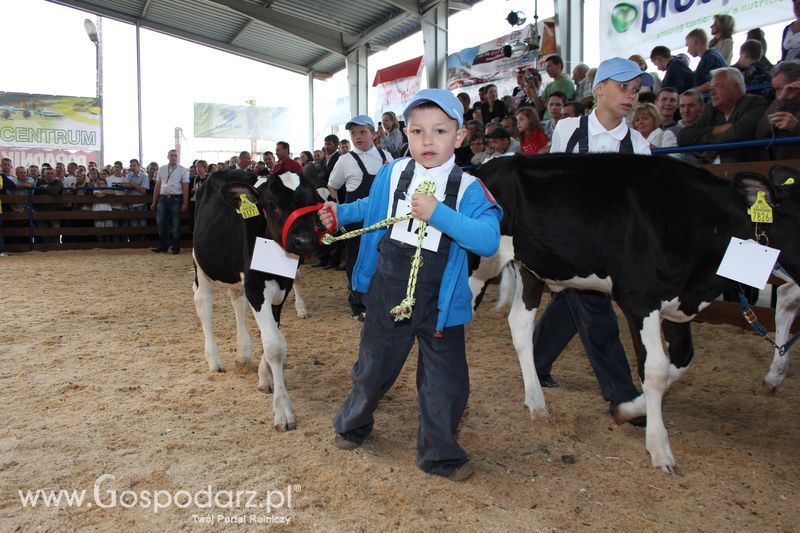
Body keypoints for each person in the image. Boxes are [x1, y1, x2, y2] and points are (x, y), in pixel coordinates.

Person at [319, 88, 502, 482]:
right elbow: (373, 206)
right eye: (417, 132)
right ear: (405, 134)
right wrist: (341, 213)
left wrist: (439, 214)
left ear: (458, 137)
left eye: (439, 131)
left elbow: (487, 240)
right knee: (373, 367)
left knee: (445, 383)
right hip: (388, 287)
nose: (427, 141)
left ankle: (439, 454)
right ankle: (353, 423)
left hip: (442, 300)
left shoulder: (470, 188)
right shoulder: (393, 171)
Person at [536, 57, 653, 423]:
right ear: (599, 89)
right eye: (623, 88)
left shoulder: (638, 144)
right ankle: (621, 394)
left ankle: (537, 362)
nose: (631, 96)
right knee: (595, 310)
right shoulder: (568, 129)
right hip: (573, 238)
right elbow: (555, 183)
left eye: (636, 91)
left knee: (573, 303)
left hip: (614, 243)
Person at [328, 115, 393, 320]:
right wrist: (341, 213)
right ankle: (358, 306)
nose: (357, 137)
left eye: (362, 132)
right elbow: (332, 186)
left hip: (383, 221)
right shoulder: (344, 160)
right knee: (356, 261)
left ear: (374, 133)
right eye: (353, 133)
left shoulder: (387, 157)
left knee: (383, 261)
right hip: (356, 222)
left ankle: (380, 301)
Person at [678, 67, 768, 163]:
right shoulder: (712, 109)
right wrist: (718, 130)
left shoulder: (754, 103)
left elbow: (738, 133)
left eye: (718, 86)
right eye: (711, 89)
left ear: (735, 88)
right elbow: (683, 137)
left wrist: (712, 145)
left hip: (744, 167)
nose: (712, 93)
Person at [756, 60, 800, 159]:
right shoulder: (781, 103)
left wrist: (797, 128)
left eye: (780, 88)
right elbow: (760, 134)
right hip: (783, 169)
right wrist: (780, 101)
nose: (778, 94)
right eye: (776, 90)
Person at [150, 149, 189, 254]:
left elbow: (185, 187)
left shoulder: (183, 170)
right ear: (168, 157)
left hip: (176, 198)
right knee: (161, 224)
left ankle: (176, 248)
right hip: (162, 198)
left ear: (178, 157)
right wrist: (154, 201)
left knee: (176, 225)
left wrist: (185, 203)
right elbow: (157, 186)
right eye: (171, 155)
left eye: (175, 155)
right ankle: (163, 246)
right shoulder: (161, 169)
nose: (173, 157)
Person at [685, 29, 727, 94]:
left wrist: (691, 92)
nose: (687, 50)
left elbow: (714, 82)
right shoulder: (712, 55)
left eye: (688, 45)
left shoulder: (710, 57)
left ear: (694, 41)